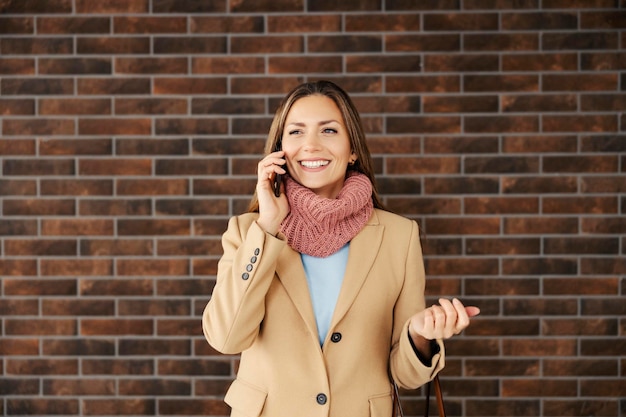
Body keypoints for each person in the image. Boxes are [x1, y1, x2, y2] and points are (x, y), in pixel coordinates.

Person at [202, 80, 480, 417]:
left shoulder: (399, 236)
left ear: (353, 151)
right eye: (296, 133)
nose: (311, 145)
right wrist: (268, 227)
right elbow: (226, 338)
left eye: (329, 131)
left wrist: (420, 335)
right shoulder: (249, 233)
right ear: (278, 151)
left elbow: (405, 375)